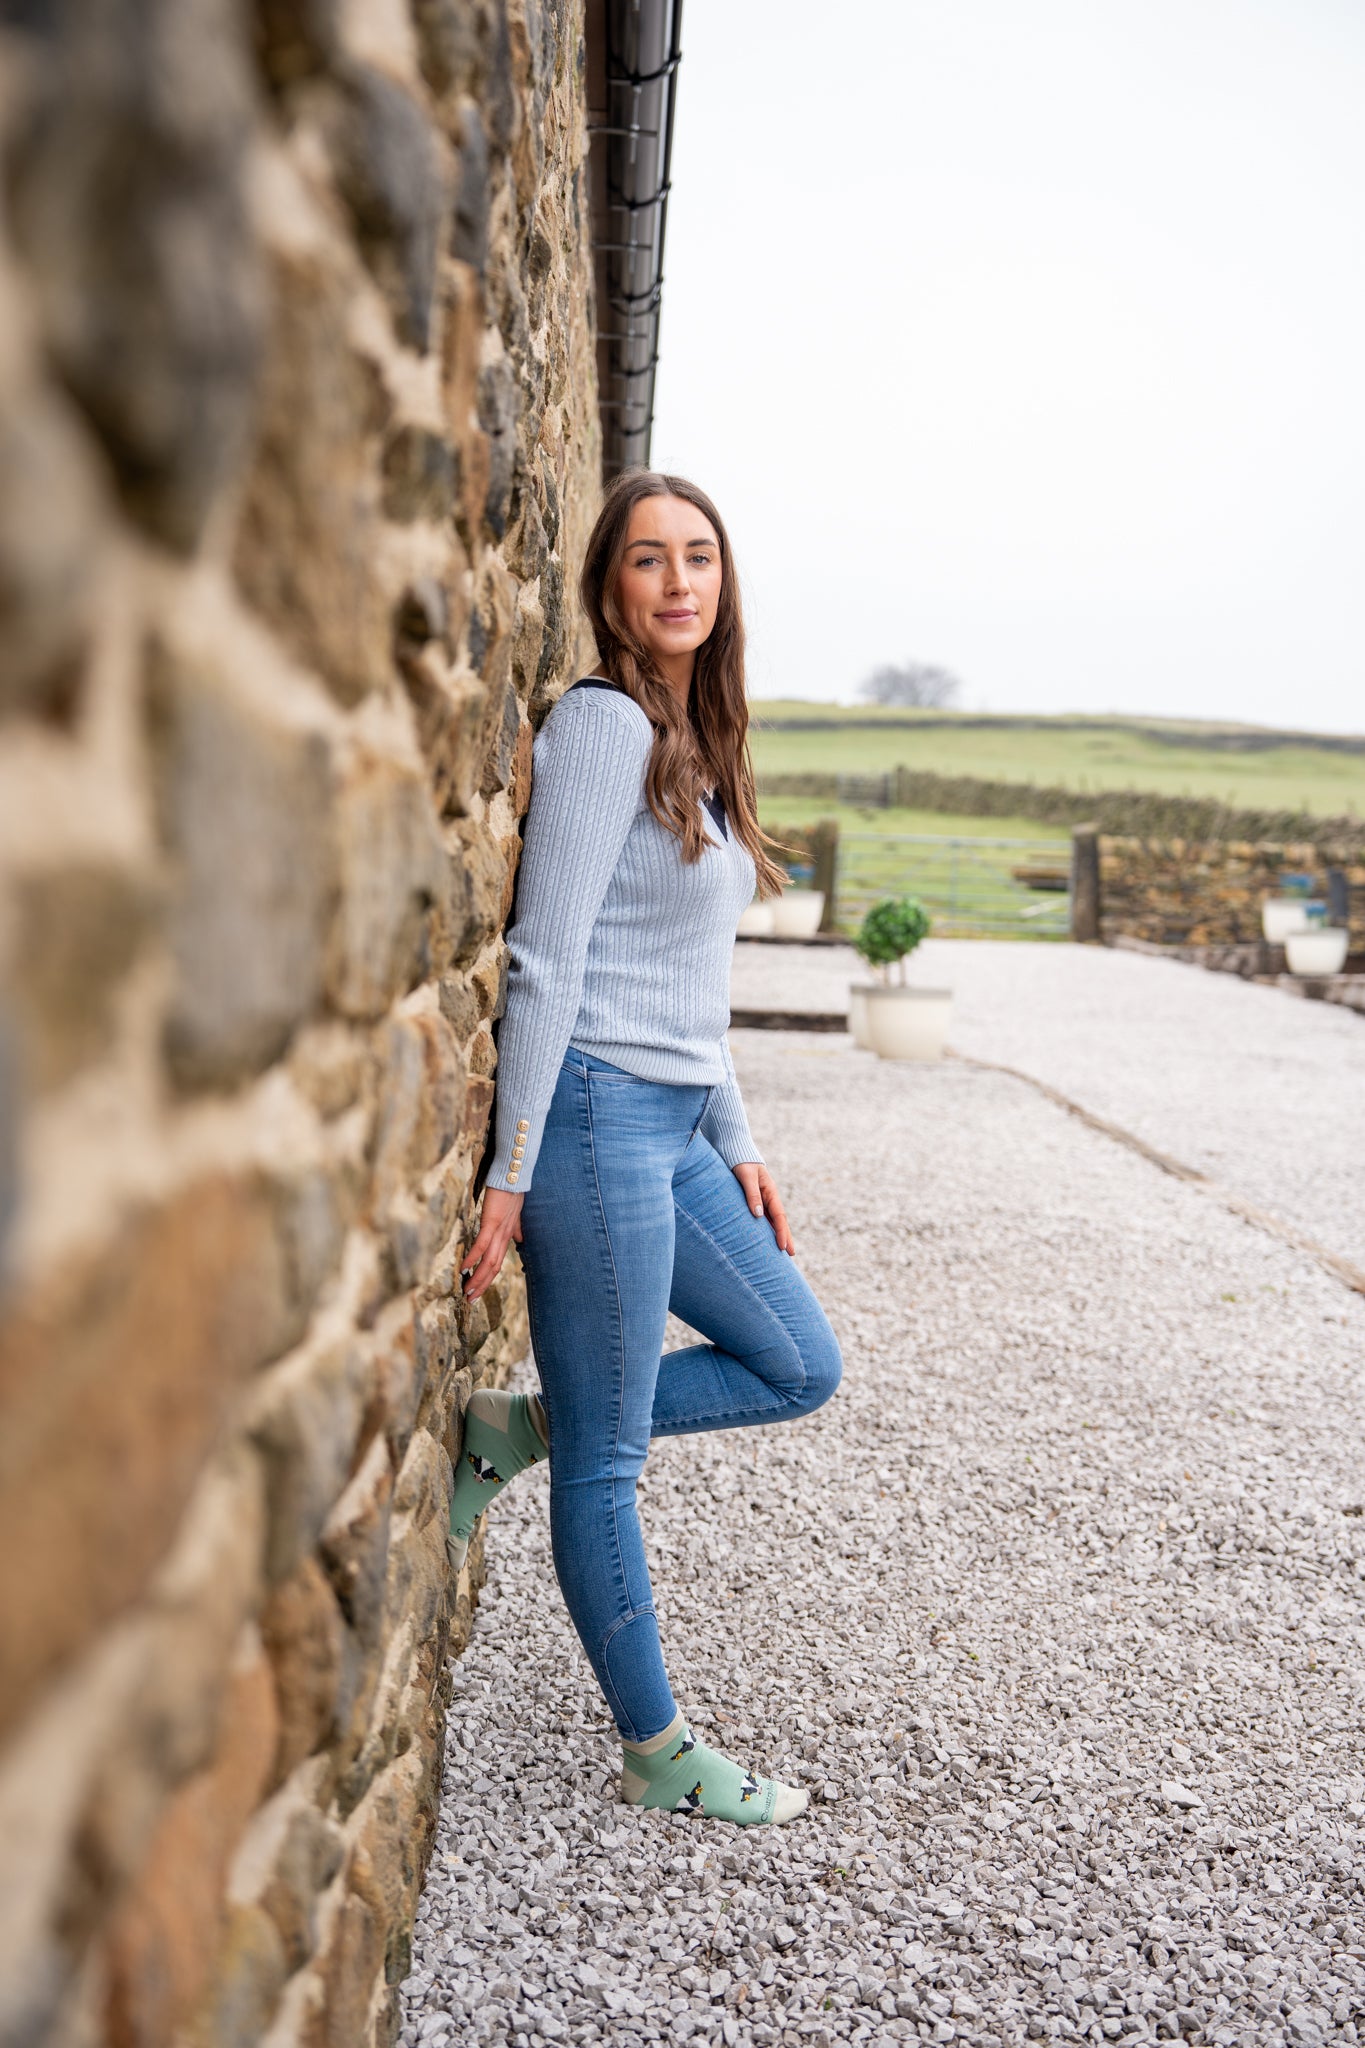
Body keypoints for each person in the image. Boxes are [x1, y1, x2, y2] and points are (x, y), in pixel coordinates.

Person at [448, 470, 843, 1826]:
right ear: (607, 589)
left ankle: (526, 1427)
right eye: (646, 562)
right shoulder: (604, 726)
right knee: (612, 1467)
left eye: (698, 559)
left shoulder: (698, 733)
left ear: (721, 586)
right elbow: (546, 959)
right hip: (596, 1118)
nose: (678, 582)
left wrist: (736, 1134)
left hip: (674, 1119)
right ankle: (654, 1747)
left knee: (798, 1361)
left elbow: (690, 973)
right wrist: (510, 1169)